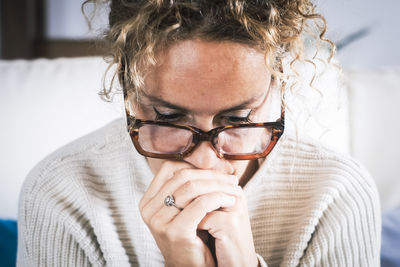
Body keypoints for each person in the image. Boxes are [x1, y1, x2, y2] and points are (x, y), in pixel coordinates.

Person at [17, 0, 381, 266]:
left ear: (279, 88)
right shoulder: (62, 192)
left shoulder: (338, 194)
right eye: (168, 117)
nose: (205, 161)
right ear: (128, 90)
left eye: (238, 119)